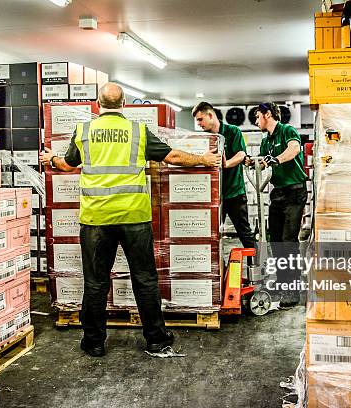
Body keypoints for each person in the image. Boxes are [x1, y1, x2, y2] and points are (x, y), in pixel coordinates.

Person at [39, 83, 221, 357]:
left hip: (96, 219)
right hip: (134, 217)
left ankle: (94, 342)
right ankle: (156, 339)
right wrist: (203, 159)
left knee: (96, 281)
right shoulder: (137, 131)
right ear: (124, 104)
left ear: (98, 104)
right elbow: (172, 156)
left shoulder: (84, 131)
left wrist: (52, 158)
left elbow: (68, 164)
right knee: (145, 279)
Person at [245, 102, 307, 306]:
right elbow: (264, 161)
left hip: (294, 192)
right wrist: (253, 161)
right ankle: (282, 284)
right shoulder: (266, 142)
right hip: (278, 194)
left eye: (257, 117)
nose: (255, 121)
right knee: (276, 243)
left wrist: (276, 160)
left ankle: (293, 290)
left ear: (268, 114)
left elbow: (294, 149)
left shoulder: (286, 130)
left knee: (289, 243)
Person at [192, 102, 256, 250]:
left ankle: (260, 266)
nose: (199, 124)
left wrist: (225, 164)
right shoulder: (204, 139)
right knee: (211, 234)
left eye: (200, 119)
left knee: (245, 234)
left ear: (210, 115)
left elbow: (241, 154)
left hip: (234, 193)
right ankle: (216, 269)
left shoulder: (232, 131)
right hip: (213, 195)